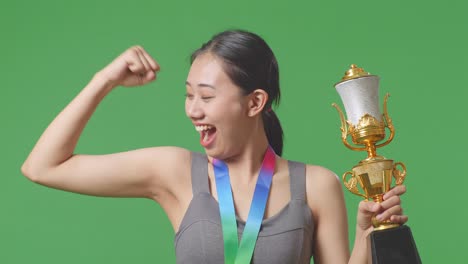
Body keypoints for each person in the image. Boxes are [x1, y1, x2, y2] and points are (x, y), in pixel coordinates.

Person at [21, 30, 407, 264]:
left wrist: (367, 232)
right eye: (189, 95)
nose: (192, 110)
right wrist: (103, 79)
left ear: (254, 103)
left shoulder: (316, 185)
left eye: (206, 97)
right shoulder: (172, 172)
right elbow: (42, 167)